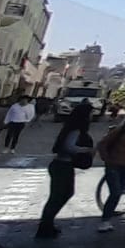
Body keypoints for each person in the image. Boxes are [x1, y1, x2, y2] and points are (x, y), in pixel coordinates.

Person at [36, 102, 94, 239]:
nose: (92, 116)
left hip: (63, 165)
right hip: (62, 165)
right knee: (57, 197)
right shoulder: (75, 130)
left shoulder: (71, 128)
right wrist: (86, 150)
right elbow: (69, 147)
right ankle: (45, 227)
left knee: (63, 194)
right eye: (90, 113)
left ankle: (47, 225)